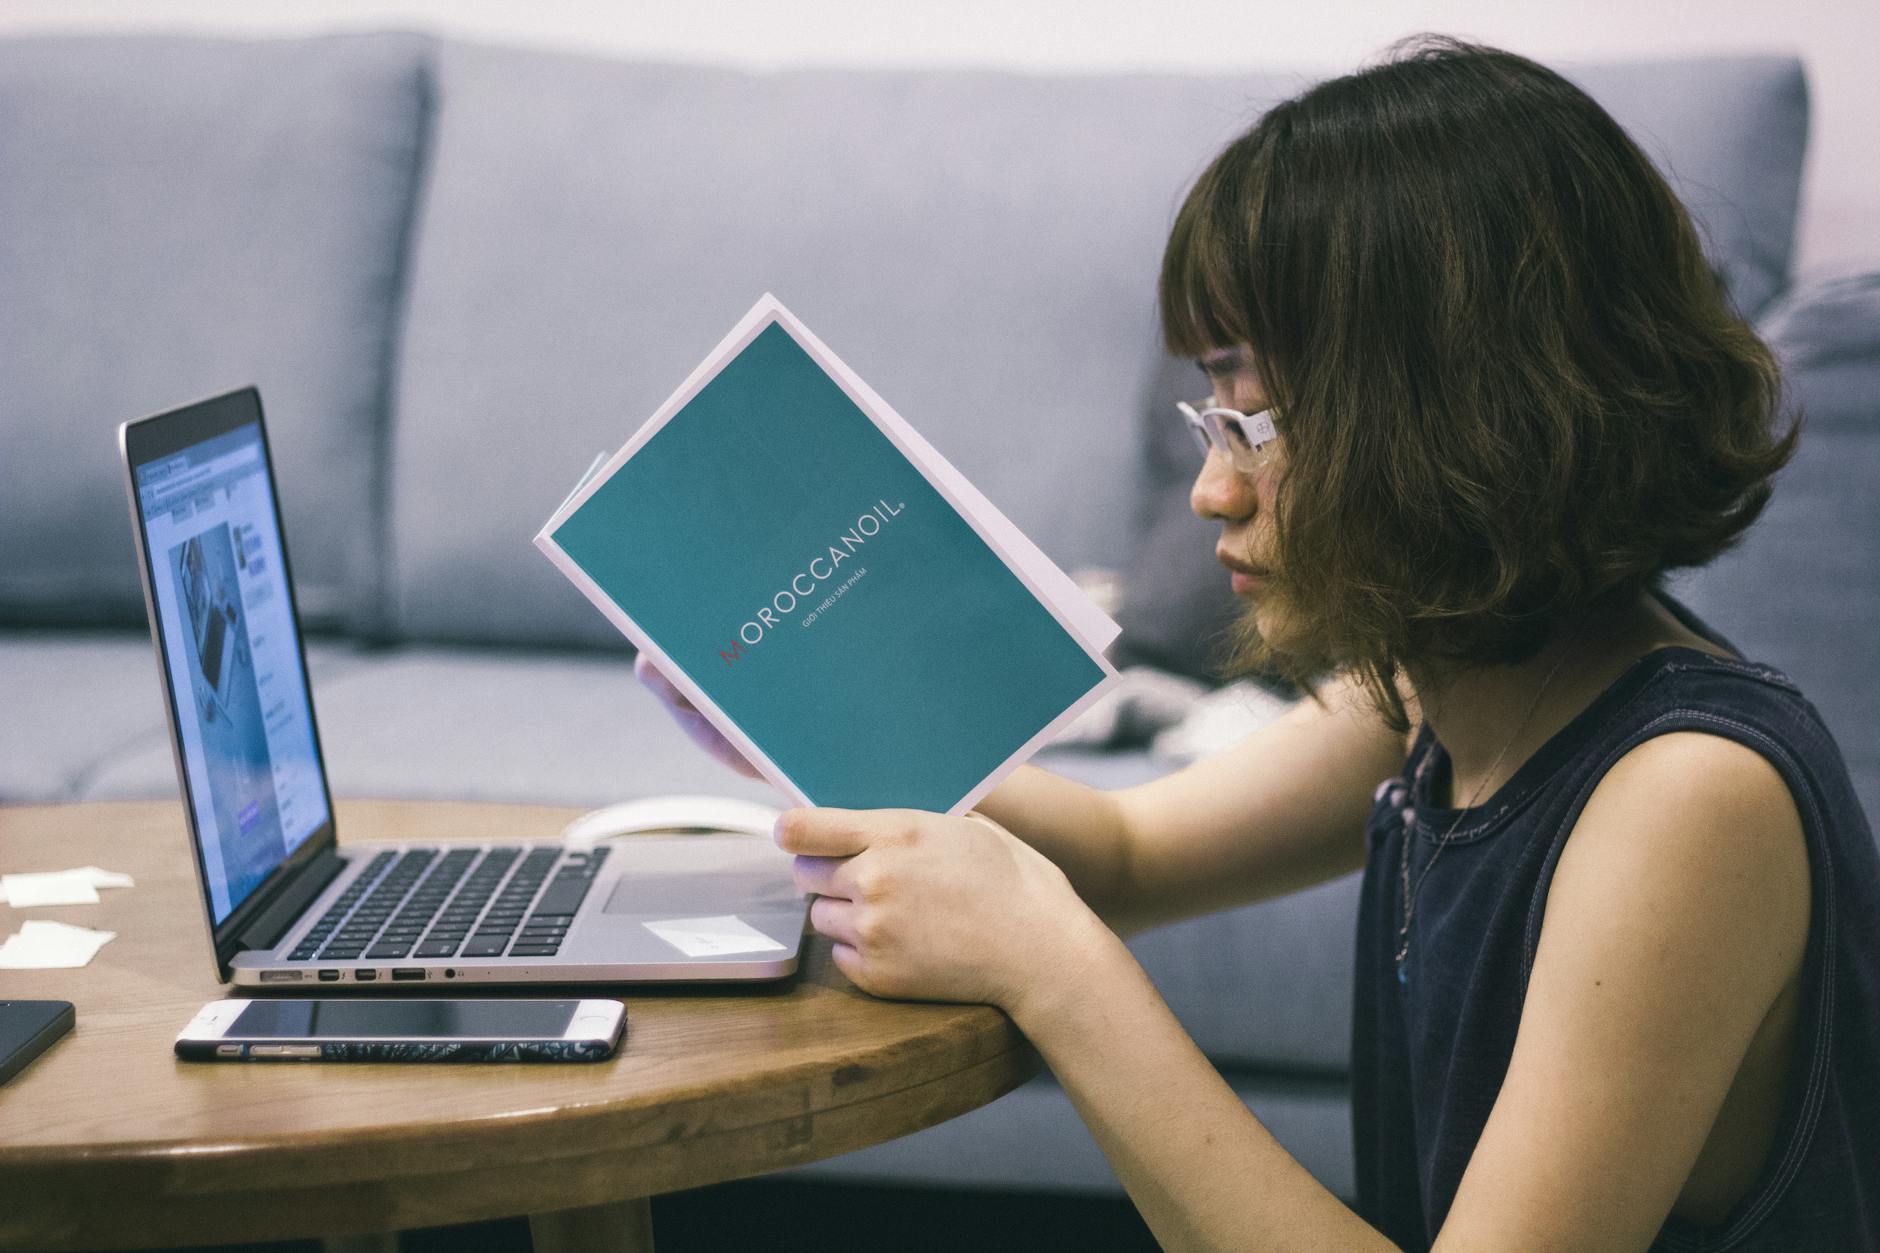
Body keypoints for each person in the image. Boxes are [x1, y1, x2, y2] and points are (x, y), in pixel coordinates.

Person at [636, 38, 1880, 1252]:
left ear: (1468, 419)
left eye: (1260, 424)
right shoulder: (1441, 688)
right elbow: (1129, 850)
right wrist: (818, 719)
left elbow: (1087, 911)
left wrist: (1056, 967)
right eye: (1212, 417)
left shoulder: (1684, 797)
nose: (1210, 493)